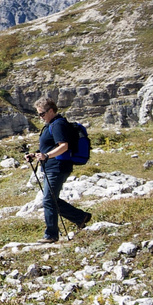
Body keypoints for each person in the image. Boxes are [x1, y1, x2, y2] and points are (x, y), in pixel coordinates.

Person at [29, 97, 91, 243]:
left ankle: (51, 234)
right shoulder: (51, 124)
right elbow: (49, 146)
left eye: (42, 114)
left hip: (57, 167)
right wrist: (35, 154)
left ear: (51, 111)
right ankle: (80, 217)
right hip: (52, 166)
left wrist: (47, 155)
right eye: (38, 114)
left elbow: (64, 146)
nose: (40, 117)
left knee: (49, 200)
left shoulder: (58, 125)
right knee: (51, 200)